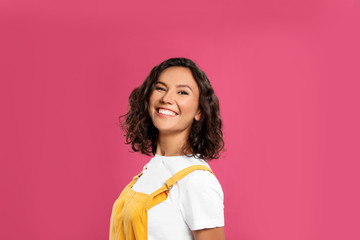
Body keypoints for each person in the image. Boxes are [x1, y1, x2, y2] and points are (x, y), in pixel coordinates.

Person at [109, 57, 225, 240]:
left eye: (182, 93)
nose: (167, 98)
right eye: (161, 88)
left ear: (199, 111)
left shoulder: (198, 182)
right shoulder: (151, 169)